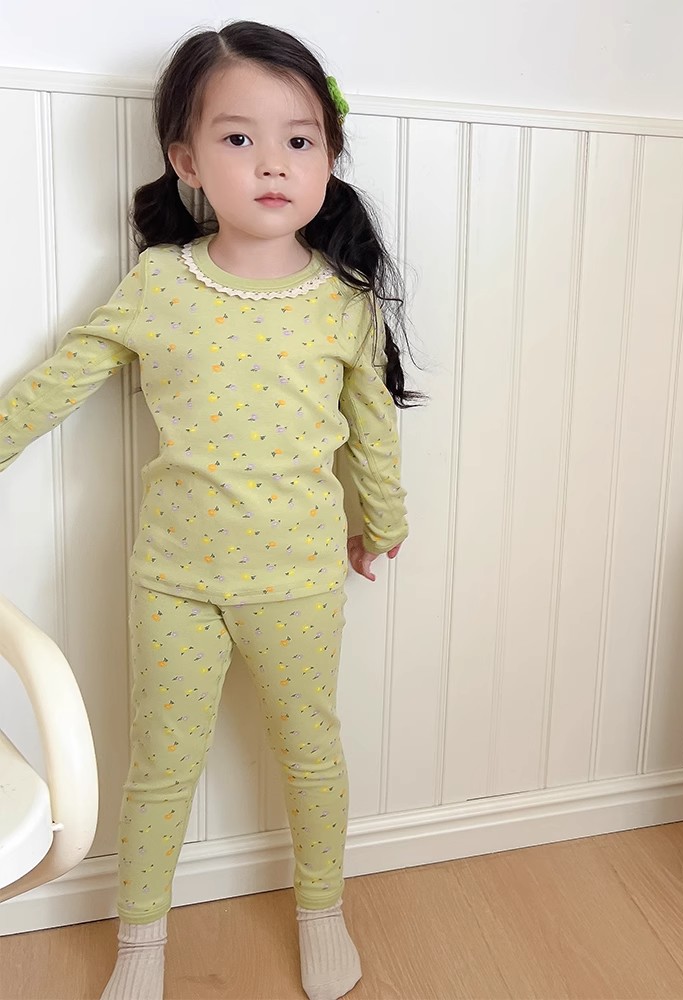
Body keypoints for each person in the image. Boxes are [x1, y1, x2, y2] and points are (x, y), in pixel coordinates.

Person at [0, 20, 418, 1000]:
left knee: (310, 752)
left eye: (299, 139)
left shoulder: (344, 301)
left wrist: (383, 520)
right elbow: (64, 378)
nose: (273, 163)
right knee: (161, 765)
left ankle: (322, 910)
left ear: (327, 156)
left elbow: (372, 428)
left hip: (299, 577)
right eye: (239, 138)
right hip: (175, 579)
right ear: (186, 159)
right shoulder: (161, 282)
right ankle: (141, 942)